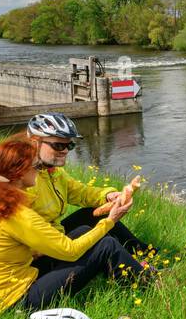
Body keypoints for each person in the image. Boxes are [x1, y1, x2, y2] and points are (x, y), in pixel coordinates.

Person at [0, 138, 145, 314]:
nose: (40, 171)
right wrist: (110, 221)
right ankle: (147, 284)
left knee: (83, 231)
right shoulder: (17, 213)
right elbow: (70, 251)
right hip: (13, 302)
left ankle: (130, 273)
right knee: (105, 246)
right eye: (35, 166)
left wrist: (106, 198)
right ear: (19, 172)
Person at [21, 112, 160, 273]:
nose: (66, 151)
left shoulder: (51, 171)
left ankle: (146, 254)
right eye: (59, 145)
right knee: (95, 237)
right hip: (40, 253)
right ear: (34, 143)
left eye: (70, 145)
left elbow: (80, 193)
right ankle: (138, 273)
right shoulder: (23, 181)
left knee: (93, 214)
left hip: (53, 236)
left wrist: (107, 195)